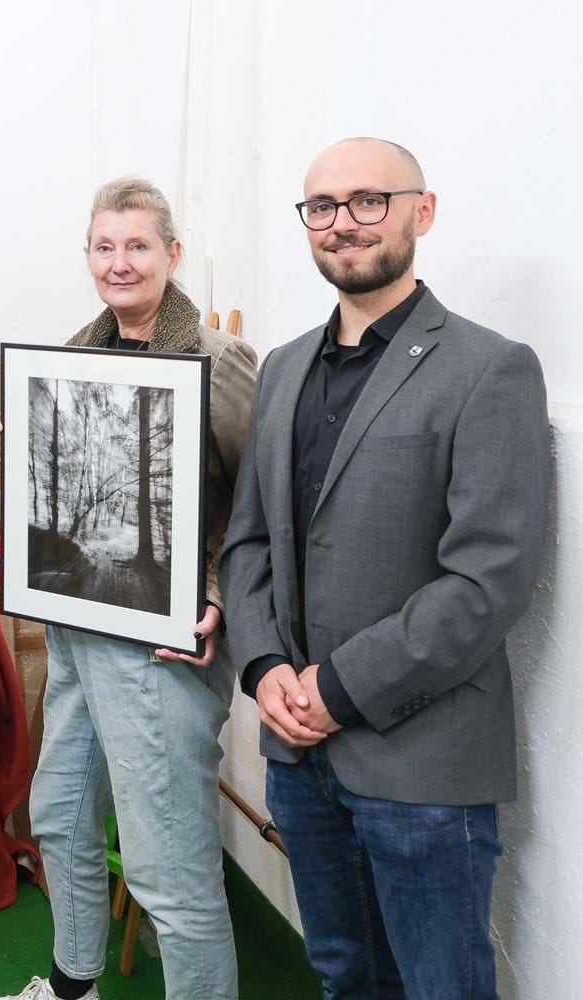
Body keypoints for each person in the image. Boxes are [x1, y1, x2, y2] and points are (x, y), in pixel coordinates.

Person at [219, 137, 549, 999]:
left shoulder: (490, 368)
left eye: (369, 201)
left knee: (441, 986)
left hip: (422, 763)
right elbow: (248, 542)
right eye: (322, 208)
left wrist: (335, 689)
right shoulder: (285, 367)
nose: (343, 224)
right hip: (297, 758)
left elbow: (487, 580)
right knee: (345, 978)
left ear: (421, 212)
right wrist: (263, 670)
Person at [0, 178, 257, 1000]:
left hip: (160, 650)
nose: (119, 262)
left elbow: (262, 502)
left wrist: (215, 593)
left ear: (172, 255)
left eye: (137, 245)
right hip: (77, 633)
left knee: (166, 870)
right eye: (103, 247)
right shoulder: (76, 350)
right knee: (60, 821)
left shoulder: (217, 362)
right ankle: (73, 989)